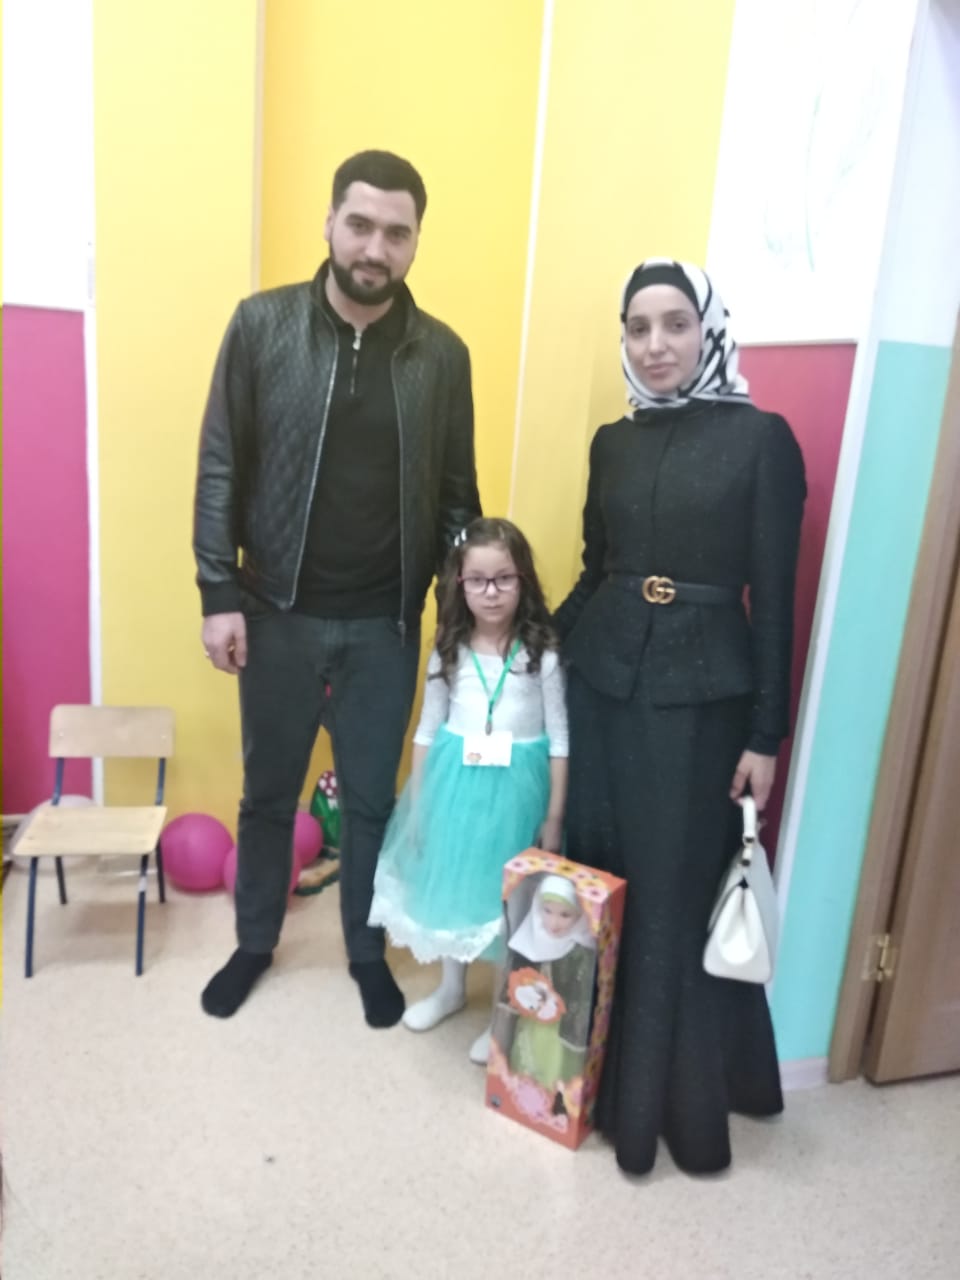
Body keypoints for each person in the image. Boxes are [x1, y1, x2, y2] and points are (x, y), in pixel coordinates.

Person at [193, 150, 481, 1026]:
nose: (374, 248)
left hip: (384, 624)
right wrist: (217, 592)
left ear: (416, 242)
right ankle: (254, 943)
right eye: (359, 225)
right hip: (275, 612)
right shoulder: (262, 326)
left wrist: (461, 619)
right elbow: (221, 464)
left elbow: (457, 497)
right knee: (267, 795)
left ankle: (365, 951)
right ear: (329, 223)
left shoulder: (442, 356)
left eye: (396, 233)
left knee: (370, 803)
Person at [554, 258, 806, 1176]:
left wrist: (766, 735)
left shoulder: (762, 441)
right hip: (603, 685)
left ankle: (667, 1110)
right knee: (604, 879)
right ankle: (579, 1078)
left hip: (702, 705)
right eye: (637, 327)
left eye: (674, 323)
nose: (654, 344)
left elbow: (773, 599)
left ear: (709, 330)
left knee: (667, 894)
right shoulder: (612, 444)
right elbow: (596, 569)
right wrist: (532, 642)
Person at [368, 518, 569, 1062]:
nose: (491, 592)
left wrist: (554, 815)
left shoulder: (541, 655)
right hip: (455, 786)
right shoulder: (449, 650)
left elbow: (559, 740)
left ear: (523, 579)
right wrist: (420, 804)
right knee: (452, 888)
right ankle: (451, 989)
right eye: (477, 580)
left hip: (518, 793)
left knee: (507, 903)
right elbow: (427, 731)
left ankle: (505, 1009)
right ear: (460, 584)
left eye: (504, 578)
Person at [500, 875, 596, 1102]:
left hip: (561, 1027)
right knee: (528, 1055)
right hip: (532, 1020)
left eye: (565, 914)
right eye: (547, 911)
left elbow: (582, 994)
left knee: (554, 1064)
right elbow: (516, 979)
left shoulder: (581, 950)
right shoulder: (529, 938)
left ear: (580, 914)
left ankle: (552, 1097)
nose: (554, 922)